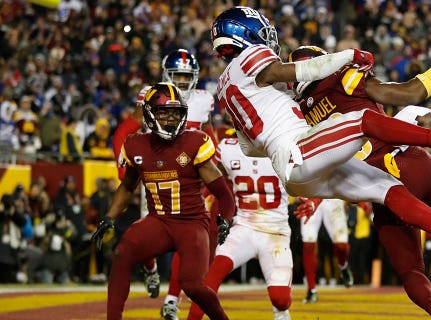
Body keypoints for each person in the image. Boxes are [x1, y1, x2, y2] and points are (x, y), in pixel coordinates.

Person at [211, 7, 431, 282]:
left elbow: (249, 147)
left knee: (386, 188)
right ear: (244, 35)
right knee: (363, 119)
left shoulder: (228, 88)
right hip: (299, 151)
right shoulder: (252, 60)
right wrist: (349, 55)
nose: (269, 42)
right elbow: (299, 71)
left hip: (297, 164)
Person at [288, 44, 431, 319]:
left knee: (411, 269)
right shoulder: (345, 78)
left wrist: (316, 197)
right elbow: (411, 92)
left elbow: (322, 165)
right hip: (405, 164)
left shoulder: (299, 117)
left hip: (372, 188)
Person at [91, 82, 236, 320]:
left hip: (191, 222)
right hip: (159, 221)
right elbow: (127, 186)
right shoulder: (136, 145)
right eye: (164, 112)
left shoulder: (194, 142)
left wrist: (226, 218)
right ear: (149, 113)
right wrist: (109, 217)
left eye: (175, 112)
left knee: (192, 285)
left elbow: (222, 191)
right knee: (122, 253)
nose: (170, 118)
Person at [111, 49, 219, 320]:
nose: (182, 82)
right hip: (155, 175)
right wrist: (124, 169)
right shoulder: (153, 94)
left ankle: (172, 299)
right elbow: (124, 132)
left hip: (186, 178)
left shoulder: (203, 99)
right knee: (145, 238)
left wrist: (213, 163)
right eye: (177, 75)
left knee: (187, 238)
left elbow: (207, 134)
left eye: (186, 76)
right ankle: (150, 269)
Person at [188, 131, 294, 320]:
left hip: (275, 233)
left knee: (280, 299)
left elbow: (312, 180)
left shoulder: (284, 147)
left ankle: (281, 311)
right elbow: (213, 179)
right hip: (244, 226)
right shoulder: (227, 148)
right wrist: (198, 198)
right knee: (210, 279)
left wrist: (313, 201)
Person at [296, 197, 353, 303]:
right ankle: (312, 290)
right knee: (308, 244)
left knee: (341, 245)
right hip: (310, 193)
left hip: (330, 195)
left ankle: (343, 265)